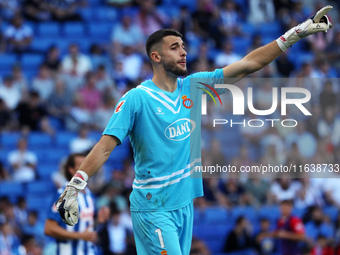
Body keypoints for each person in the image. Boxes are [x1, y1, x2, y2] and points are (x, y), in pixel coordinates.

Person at [56, 6, 333, 255]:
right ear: (156, 56)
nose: (184, 52)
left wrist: (296, 33)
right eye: (175, 47)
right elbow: (105, 145)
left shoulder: (194, 86)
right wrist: (75, 186)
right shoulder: (136, 98)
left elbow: (249, 64)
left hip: (183, 204)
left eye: (184, 46)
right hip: (154, 207)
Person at [45, 153, 109, 255]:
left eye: (88, 164)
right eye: (82, 165)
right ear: (71, 170)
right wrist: (80, 236)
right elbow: (49, 228)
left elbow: (86, 228)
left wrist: (98, 221)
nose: (87, 168)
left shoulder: (89, 195)